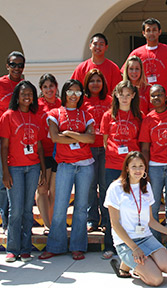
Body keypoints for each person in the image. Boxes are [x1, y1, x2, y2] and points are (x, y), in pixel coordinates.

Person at [104, 151, 167, 286]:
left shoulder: (146, 186)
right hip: (126, 242)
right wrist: (134, 248)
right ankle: (131, 265)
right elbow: (115, 224)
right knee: (156, 280)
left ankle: (131, 266)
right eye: (134, 166)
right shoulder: (115, 188)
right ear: (127, 168)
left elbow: (150, 221)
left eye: (141, 166)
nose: (138, 170)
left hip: (145, 237)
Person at [39, 79, 96, 261]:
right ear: (64, 93)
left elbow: (91, 139)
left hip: (85, 165)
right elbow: (55, 138)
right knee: (60, 206)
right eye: (70, 91)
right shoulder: (55, 113)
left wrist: (70, 134)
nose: (74, 95)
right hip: (64, 165)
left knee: (80, 208)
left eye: (78, 92)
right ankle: (56, 246)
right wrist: (80, 137)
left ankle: (78, 246)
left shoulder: (86, 114)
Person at [0, 80, 46, 262]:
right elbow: (4, 147)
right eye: (23, 94)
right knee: (15, 210)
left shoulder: (36, 116)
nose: (27, 97)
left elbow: (39, 146)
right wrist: (5, 172)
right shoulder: (9, 116)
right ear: (17, 97)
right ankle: (12, 249)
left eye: (30, 94)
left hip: (32, 167)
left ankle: (26, 249)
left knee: (27, 209)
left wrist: (42, 169)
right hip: (15, 168)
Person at [139, 84, 167, 258]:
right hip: (155, 167)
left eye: (159, 94)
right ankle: (155, 244)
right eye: (153, 96)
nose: (156, 98)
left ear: (166, 96)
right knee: (153, 205)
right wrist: (146, 170)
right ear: (149, 99)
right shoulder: (148, 119)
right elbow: (145, 147)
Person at [100, 80, 143, 259]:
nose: (124, 98)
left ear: (133, 96)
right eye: (121, 94)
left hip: (132, 168)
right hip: (112, 165)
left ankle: (134, 243)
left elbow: (140, 141)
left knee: (132, 205)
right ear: (116, 95)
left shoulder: (138, 116)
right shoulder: (108, 116)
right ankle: (110, 245)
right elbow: (105, 140)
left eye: (128, 94)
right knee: (112, 206)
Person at [0, 51, 25, 233]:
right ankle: (6, 221)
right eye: (13, 64)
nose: (17, 68)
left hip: (19, 141)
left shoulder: (24, 86)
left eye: (20, 65)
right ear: (7, 66)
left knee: (17, 180)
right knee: (2, 181)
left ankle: (19, 219)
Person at [82, 69, 113, 233]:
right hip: (89, 149)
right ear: (87, 83)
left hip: (106, 149)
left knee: (105, 185)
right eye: (92, 81)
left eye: (98, 81)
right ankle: (92, 219)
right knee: (90, 186)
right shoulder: (83, 101)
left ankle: (107, 219)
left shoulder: (109, 101)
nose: (95, 84)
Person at [122, 18, 167, 94]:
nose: (151, 33)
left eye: (154, 30)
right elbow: (124, 73)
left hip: (164, 96)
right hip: (142, 96)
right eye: (148, 30)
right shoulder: (136, 53)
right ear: (143, 33)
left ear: (159, 32)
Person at [36, 73, 62, 234]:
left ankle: (52, 222)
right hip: (42, 152)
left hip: (59, 153)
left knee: (54, 190)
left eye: (51, 86)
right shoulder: (37, 105)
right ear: (41, 89)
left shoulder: (62, 103)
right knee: (42, 189)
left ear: (56, 87)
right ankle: (46, 223)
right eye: (45, 87)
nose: (49, 89)